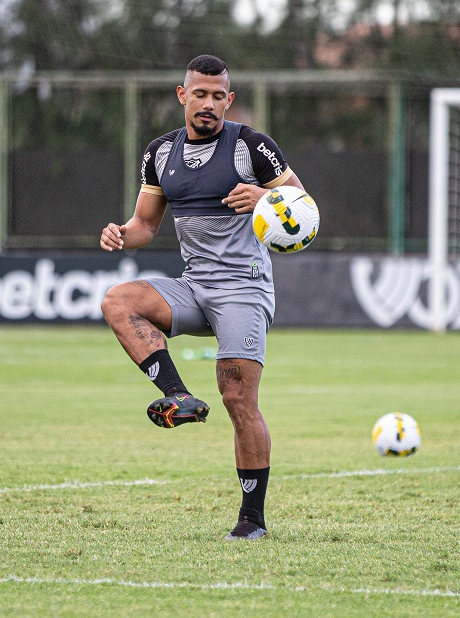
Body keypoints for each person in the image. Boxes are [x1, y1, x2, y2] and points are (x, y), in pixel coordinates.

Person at [100, 55, 307, 540]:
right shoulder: (160, 153)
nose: (209, 104)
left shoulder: (253, 147)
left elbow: (305, 206)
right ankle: (177, 396)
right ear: (182, 95)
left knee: (238, 398)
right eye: (200, 94)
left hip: (243, 287)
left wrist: (266, 199)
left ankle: (252, 519)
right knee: (117, 300)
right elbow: (146, 226)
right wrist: (120, 234)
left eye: (218, 96)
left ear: (229, 101)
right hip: (194, 285)